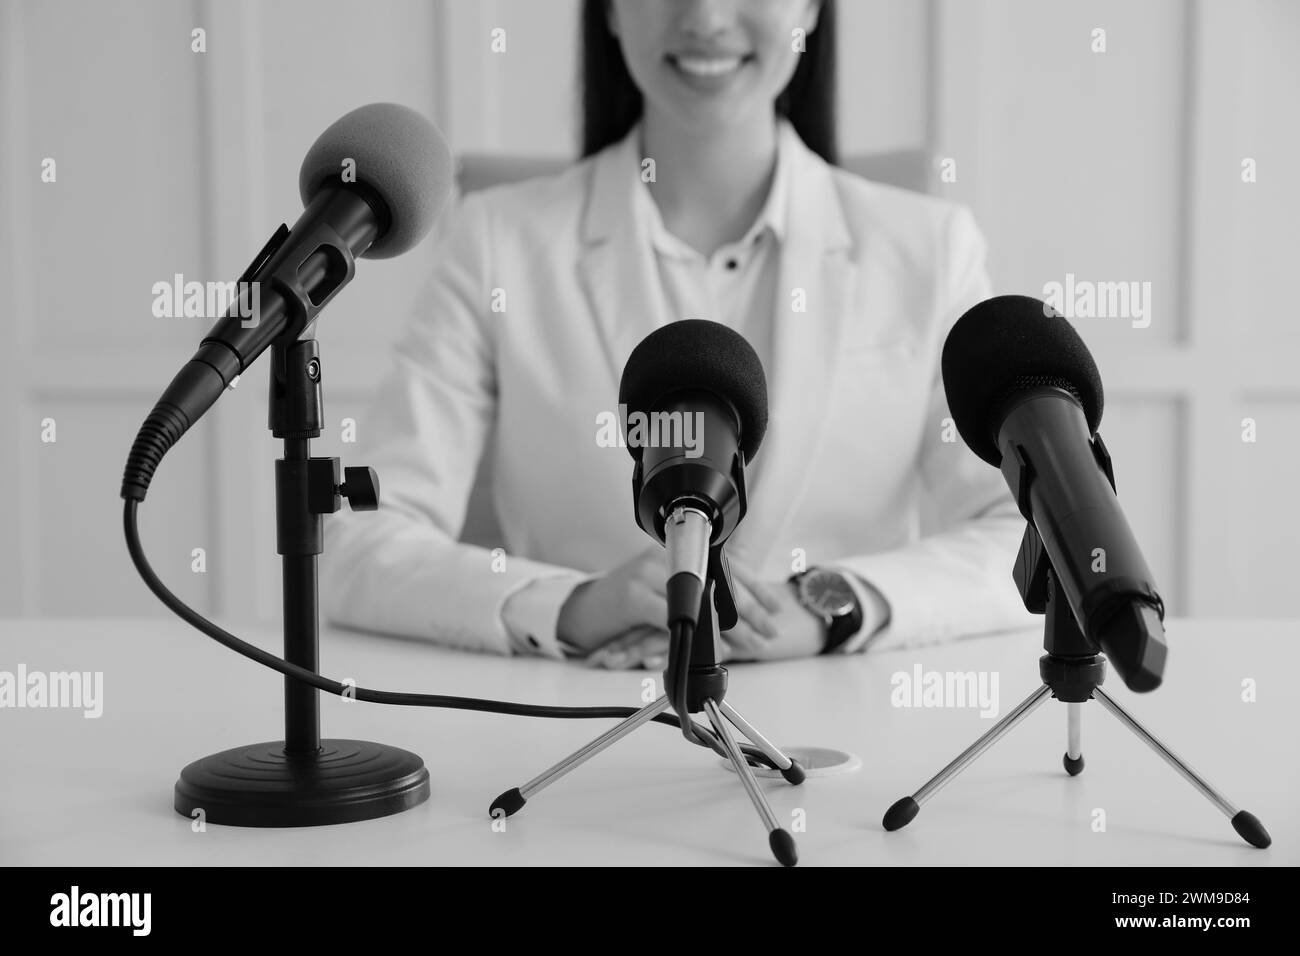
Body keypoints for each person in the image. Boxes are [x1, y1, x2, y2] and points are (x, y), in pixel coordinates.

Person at [320, 0, 1035, 668]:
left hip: (847, 744)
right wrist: (570, 606)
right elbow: (361, 540)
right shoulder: (498, 243)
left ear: (812, 7)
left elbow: (1027, 532)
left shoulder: (929, 249)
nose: (705, 17)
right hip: (585, 721)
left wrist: (832, 604)